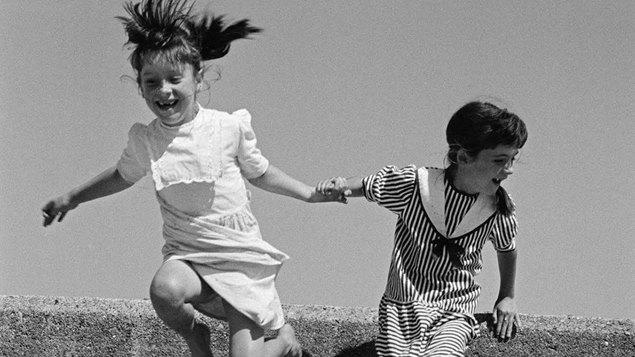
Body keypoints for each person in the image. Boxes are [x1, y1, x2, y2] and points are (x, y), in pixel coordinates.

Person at [41, 1, 341, 356]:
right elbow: (120, 176)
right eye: (151, 82)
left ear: (197, 79)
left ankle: (285, 342)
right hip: (190, 254)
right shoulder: (146, 140)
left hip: (239, 257)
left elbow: (261, 172)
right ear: (139, 87)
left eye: (174, 79)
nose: (163, 91)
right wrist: (72, 197)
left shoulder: (226, 128)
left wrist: (308, 193)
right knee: (164, 290)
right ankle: (195, 336)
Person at [318, 101, 528, 356]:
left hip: (454, 311)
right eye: (500, 160)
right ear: (463, 156)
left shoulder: (497, 207)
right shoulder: (417, 186)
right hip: (401, 308)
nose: (509, 170)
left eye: (513, 159)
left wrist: (506, 295)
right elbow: (366, 186)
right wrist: (340, 187)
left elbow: (507, 248)